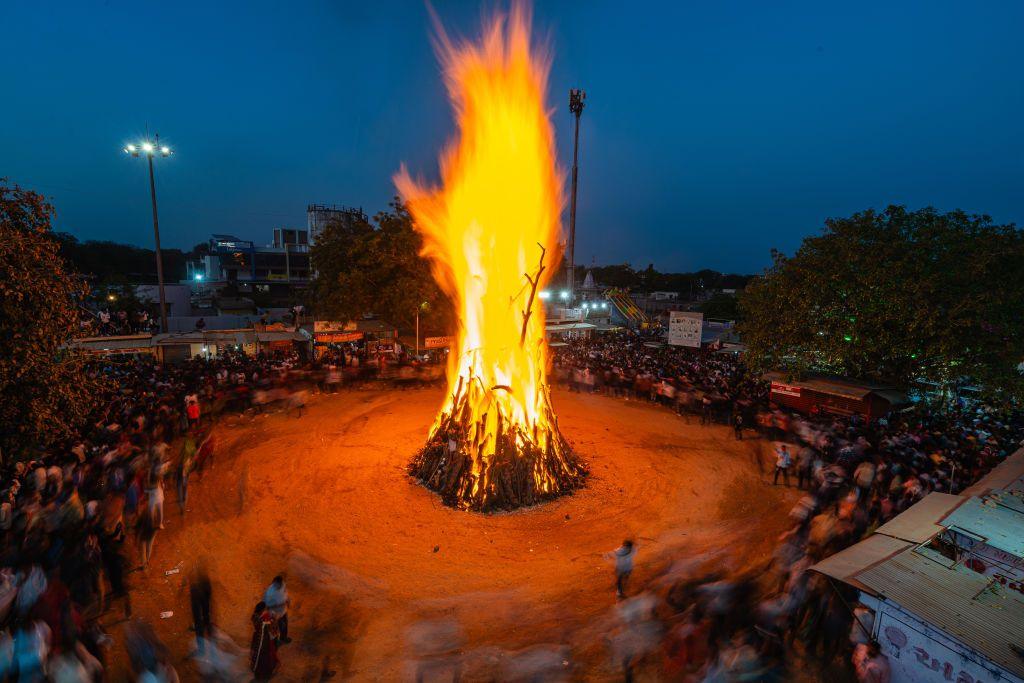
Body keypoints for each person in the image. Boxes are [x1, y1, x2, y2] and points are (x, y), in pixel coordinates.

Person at [249, 601, 279, 680]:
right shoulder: (262, 620)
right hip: (263, 640)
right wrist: (272, 620)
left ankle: (258, 672)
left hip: (258, 638)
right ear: (262, 609)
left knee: (258, 655)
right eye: (265, 609)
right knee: (263, 656)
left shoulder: (256, 617)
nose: (266, 610)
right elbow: (271, 628)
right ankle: (263, 674)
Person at [263, 576, 291, 644]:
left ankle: (283, 638)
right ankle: (275, 641)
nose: (280, 585)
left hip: (283, 611)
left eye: (280, 584)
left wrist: (287, 600)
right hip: (275, 614)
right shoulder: (270, 592)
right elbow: (267, 604)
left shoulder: (282, 584)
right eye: (278, 584)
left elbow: (285, 592)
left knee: (284, 625)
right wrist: (280, 603)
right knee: (275, 628)